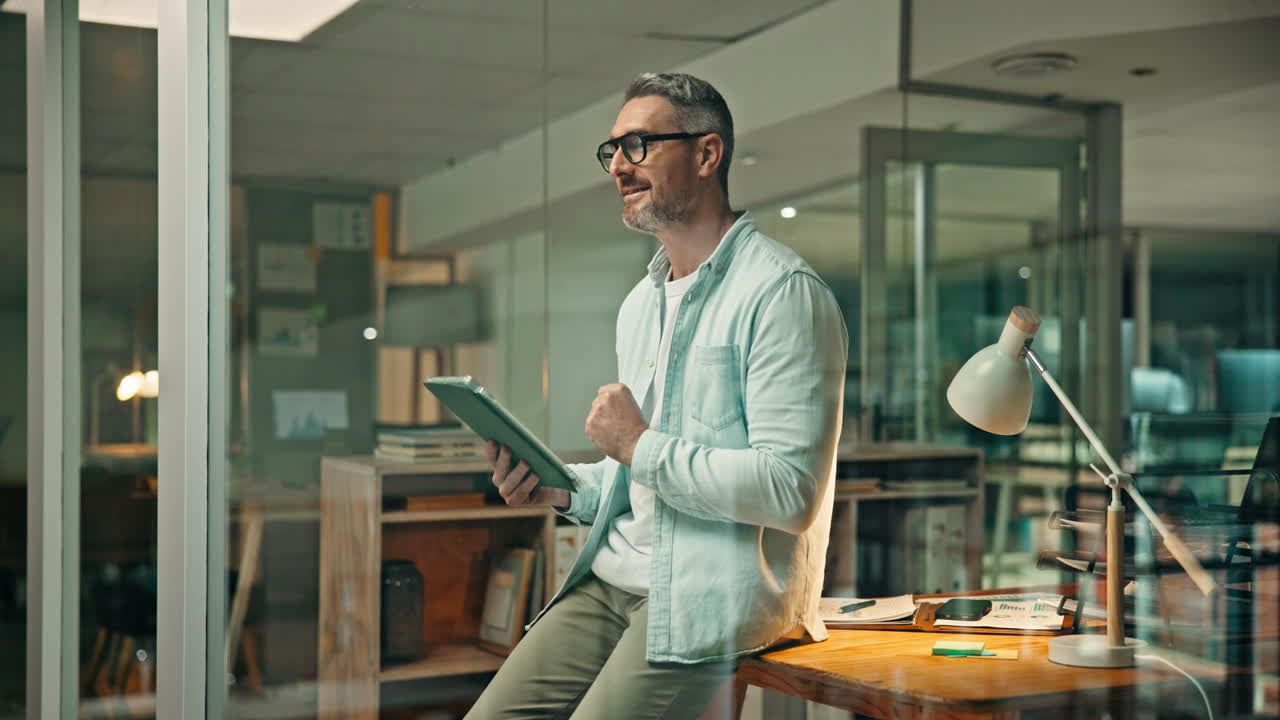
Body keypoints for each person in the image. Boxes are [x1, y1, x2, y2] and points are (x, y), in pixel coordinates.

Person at [465, 72, 847, 720]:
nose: (619, 166)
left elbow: (790, 492)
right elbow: (642, 484)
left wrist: (639, 445)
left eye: (638, 145)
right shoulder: (641, 304)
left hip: (702, 601)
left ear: (707, 154)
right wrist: (561, 488)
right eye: (612, 150)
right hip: (607, 582)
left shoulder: (783, 294)